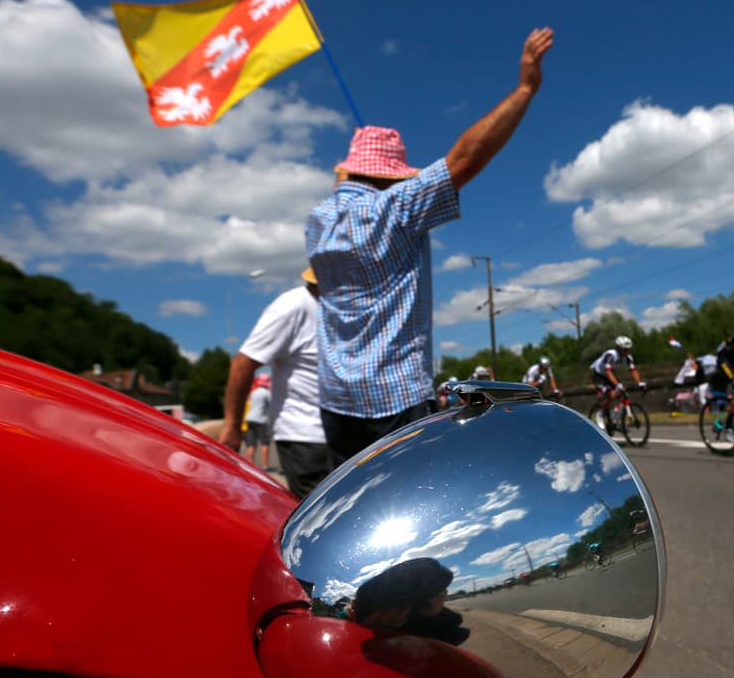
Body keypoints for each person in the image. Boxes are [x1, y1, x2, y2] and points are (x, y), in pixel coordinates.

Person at [306, 28, 555, 469]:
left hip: (336, 400)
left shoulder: (318, 221)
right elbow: (464, 160)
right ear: (392, 176)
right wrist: (525, 89)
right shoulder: (396, 209)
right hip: (395, 398)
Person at [220, 268, 330, 499]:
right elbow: (243, 363)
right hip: (306, 437)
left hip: (343, 432)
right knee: (323, 515)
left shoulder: (342, 308)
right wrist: (232, 426)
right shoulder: (293, 306)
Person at [590, 336, 645, 428]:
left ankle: (614, 415)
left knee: (622, 393)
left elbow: (633, 370)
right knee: (611, 394)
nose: (627, 351)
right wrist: (617, 385)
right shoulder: (611, 355)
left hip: (610, 373)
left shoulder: (628, 357)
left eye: (628, 349)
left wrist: (639, 383)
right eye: (625, 349)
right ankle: (600, 413)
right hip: (599, 374)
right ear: (618, 348)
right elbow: (607, 371)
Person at [242, 373, 272, 469]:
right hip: (261, 420)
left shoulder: (253, 392)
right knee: (265, 443)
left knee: (250, 443)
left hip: (250, 419)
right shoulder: (267, 393)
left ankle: (249, 465)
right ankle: (264, 465)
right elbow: (271, 406)